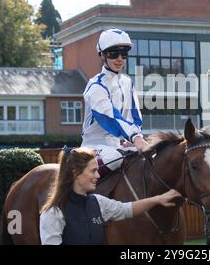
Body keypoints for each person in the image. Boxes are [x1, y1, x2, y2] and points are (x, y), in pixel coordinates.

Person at [40, 146, 181, 245]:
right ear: (76, 173)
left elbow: (126, 209)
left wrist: (158, 199)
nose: (98, 175)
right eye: (93, 170)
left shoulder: (97, 202)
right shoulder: (53, 213)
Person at [81, 28, 149, 175]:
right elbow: (110, 117)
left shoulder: (127, 82)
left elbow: (135, 116)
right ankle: (84, 193)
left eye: (123, 54)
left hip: (119, 144)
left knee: (149, 158)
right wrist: (135, 137)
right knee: (114, 158)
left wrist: (134, 137)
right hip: (92, 146)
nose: (119, 59)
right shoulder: (95, 85)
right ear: (103, 55)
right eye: (113, 54)